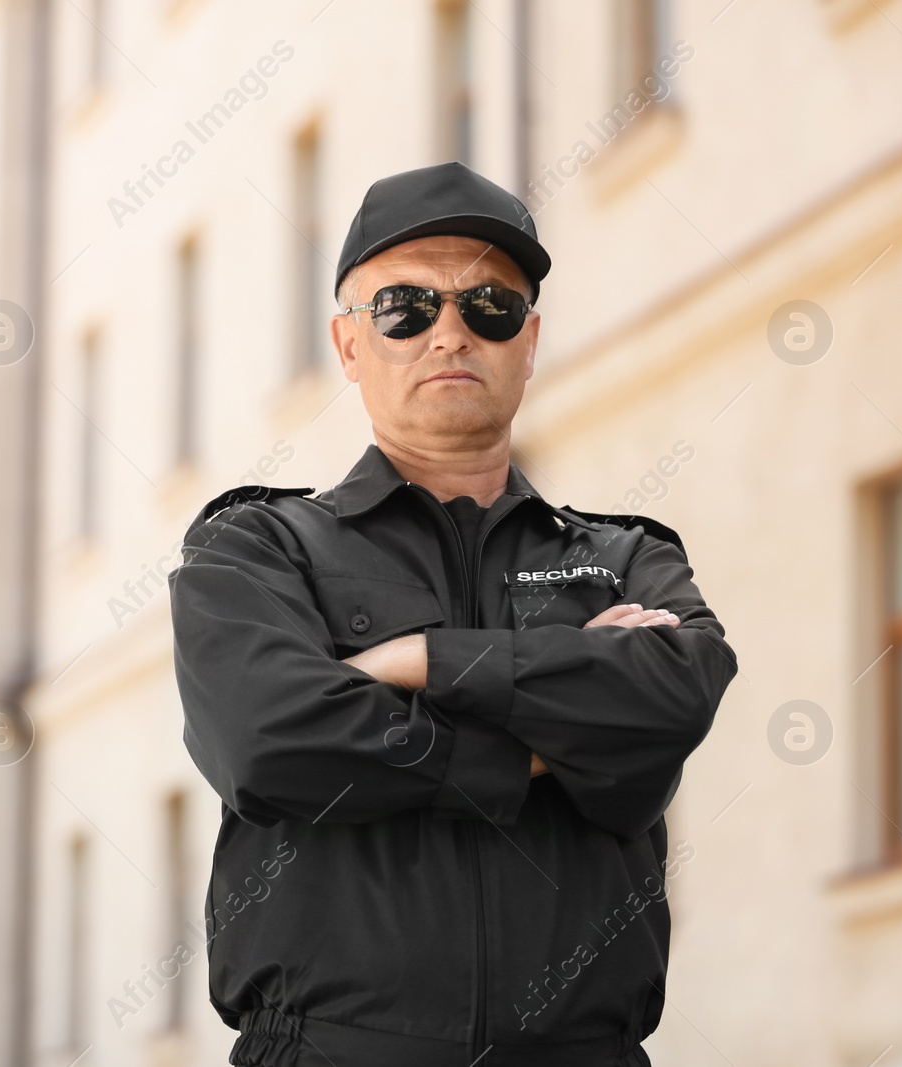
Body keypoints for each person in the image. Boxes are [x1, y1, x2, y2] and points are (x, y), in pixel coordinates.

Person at [168, 161, 737, 1066]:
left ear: (530, 340)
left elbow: (677, 690)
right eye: (404, 307)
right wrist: (541, 745)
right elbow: (270, 738)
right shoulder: (258, 549)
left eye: (490, 308)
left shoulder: (627, 557)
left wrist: (417, 662)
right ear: (349, 344)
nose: (449, 333)